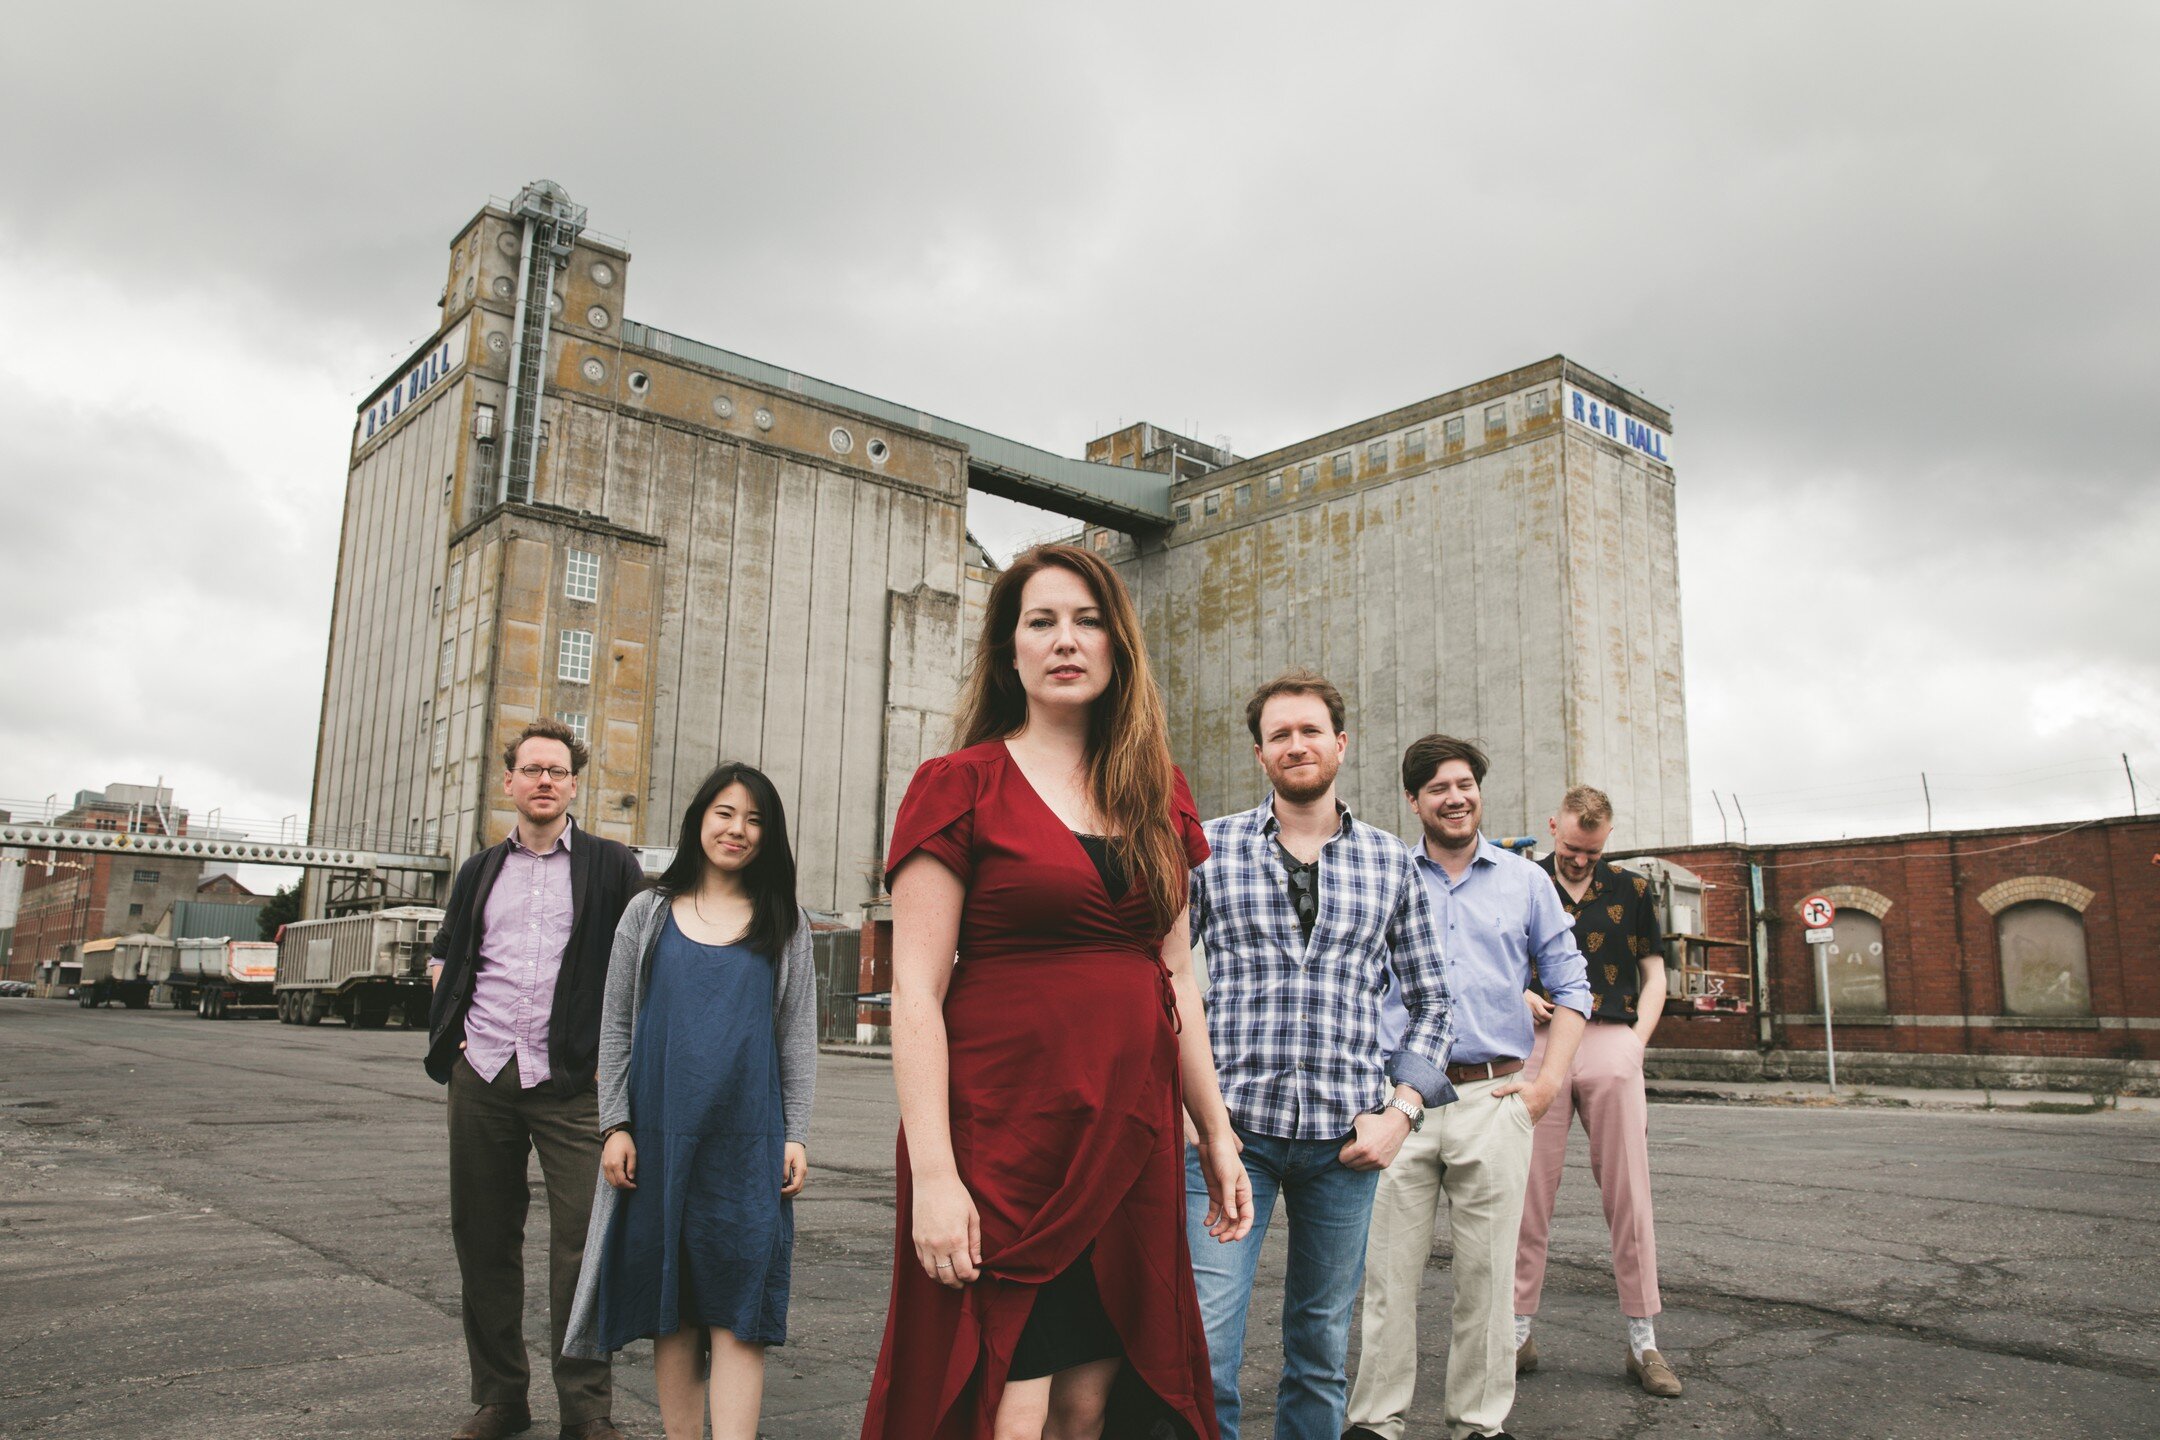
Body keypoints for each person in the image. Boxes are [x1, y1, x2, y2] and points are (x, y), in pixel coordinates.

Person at [860, 543, 1252, 1440]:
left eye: (1087, 620)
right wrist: (934, 1178)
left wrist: (1216, 1134)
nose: (1066, 640)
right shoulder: (957, 785)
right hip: (1003, 1133)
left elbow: (1176, 975)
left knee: (1093, 1395)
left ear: (1119, 646)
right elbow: (916, 994)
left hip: (1131, 1134)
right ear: (1010, 653)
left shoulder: (1161, 796)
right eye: (1041, 622)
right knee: (1011, 1387)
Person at [1184, 671, 1457, 1440]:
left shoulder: (1390, 862)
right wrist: (1190, 1112)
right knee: (1205, 1344)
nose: (1296, 745)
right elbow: (1159, 977)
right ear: (1260, 754)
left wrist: (1402, 1113)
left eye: (1311, 731)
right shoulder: (1211, 849)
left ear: (1340, 743)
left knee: (1320, 1349)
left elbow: (1435, 1001)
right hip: (1230, 1139)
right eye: (1280, 735)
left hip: (1346, 1143)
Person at [559, 761, 819, 1439]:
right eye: (726, 813)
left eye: (755, 819)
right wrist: (614, 1123)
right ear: (699, 819)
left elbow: (796, 1037)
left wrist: (796, 1133)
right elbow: (615, 1026)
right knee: (671, 1311)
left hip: (748, 1145)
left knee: (741, 1313)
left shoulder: (784, 921)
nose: (738, 830)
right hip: (661, 1137)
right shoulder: (647, 914)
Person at [1343, 736, 1591, 1440]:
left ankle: (1479, 1423)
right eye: (1437, 788)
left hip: (1495, 1098)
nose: (1454, 797)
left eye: (1464, 784)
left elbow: (1573, 987)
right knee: (1389, 1277)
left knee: (1486, 1280)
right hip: (1400, 1103)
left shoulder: (1525, 882)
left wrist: (1546, 1086)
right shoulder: (1386, 875)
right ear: (1414, 801)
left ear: (1479, 791)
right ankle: (1375, 1421)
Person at [425, 718, 647, 1440]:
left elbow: (643, 963)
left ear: (574, 784)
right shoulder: (479, 870)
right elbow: (448, 953)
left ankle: (586, 1411)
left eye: (557, 770)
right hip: (483, 1073)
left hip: (570, 1083)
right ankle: (501, 1399)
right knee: (484, 1239)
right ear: (511, 782)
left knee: (583, 1245)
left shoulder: (613, 866)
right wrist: (452, 1027)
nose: (544, 781)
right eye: (532, 770)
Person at [1512, 786, 1681, 1398]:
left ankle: (1644, 1341)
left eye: (1592, 850)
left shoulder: (1633, 890)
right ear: (1552, 825)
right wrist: (1517, 994)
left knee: (1629, 1192)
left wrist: (1638, 1041)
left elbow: (1654, 971)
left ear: (1605, 839)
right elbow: (1495, 960)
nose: (1579, 860)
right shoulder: (1519, 880)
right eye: (1570, 847)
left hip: (1612, 1038)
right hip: (1537, 1040)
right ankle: (1517, 1332)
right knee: (1525, 1193)